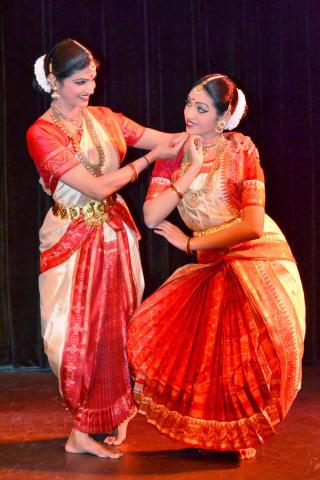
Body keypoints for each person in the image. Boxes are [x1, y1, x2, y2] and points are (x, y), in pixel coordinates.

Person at [27, 39, 254, 458]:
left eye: (93, 78)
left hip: (114, 235)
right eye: (80, 81)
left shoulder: (106, 119)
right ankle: (81, 424)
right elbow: (95, 186)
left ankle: (110, 417)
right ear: (54, 83)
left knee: (116, 331)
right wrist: (146, 161)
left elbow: (168, 140)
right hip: (71, 239)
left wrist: (217, 137)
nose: (90, 88)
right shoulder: (42, 133)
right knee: (71, 340)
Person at [127, 74, 306, 460]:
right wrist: (189, 168)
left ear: (223, 118)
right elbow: (151, 214)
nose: (189, 113)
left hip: (257, 258)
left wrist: (189, 242)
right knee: (204, 354)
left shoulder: (242, 152)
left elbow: (252, 224)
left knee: (248, 356)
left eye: (201, 108)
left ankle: (241, 432)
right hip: (211, 260)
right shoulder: (174, 150)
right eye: (189, 103)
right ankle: (213, 433)